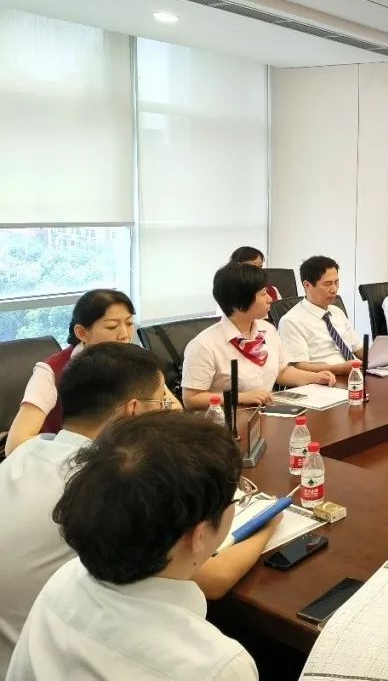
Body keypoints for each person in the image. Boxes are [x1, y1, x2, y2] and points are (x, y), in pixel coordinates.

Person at [0, 344, 277, 675]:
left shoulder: (28, 452)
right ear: (132, 411)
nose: (168, 410)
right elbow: (211, 577)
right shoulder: (108, 486)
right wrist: (271, 520)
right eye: (162, 401)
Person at [5, 289, 177, 458]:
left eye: (129, 323)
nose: (125, 335)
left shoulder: (136, 360)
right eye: (112, 326)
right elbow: (16, 444)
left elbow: (175, 409)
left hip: (130, 456)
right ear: (82, 332)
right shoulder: (51, 371)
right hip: (70, 461)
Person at [182, 262, 335, 410]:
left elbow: (281, 372)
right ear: (241, 300)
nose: (270, 299)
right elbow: (191, 399)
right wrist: (239, 397)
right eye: (263, 294)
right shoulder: (204, 345)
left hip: (264, 412)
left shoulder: (267, 330)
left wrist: (315, 377)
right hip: (228, 419)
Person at [278, 256, 364, 376]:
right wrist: (339, 368)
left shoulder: (337, 312)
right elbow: (299, 367)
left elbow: (358, 349)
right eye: (327, 284)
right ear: (307, 285)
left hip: (354, 374)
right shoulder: (291, 321)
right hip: (325, 379)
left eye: (336, 282)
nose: (334, 289)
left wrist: (380, 357)